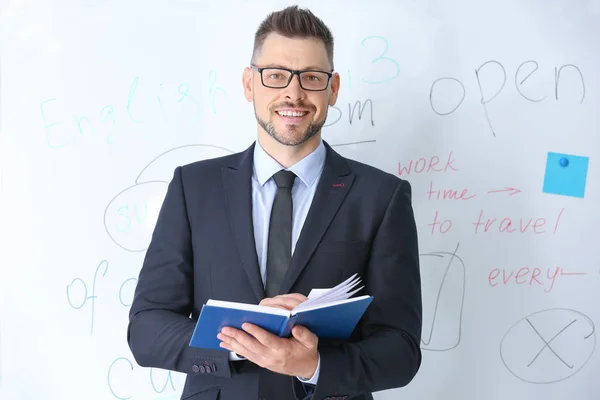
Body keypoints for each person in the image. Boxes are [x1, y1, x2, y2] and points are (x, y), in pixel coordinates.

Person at [127, 5, 422, 400]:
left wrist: (312, 366)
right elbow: (146, 329)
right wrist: (238, 344)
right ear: (250, 84)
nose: (293, 93)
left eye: (312, 78)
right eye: (276, 75)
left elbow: (401, 349)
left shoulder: (382, 196)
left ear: (333, 89)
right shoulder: (193, 187)